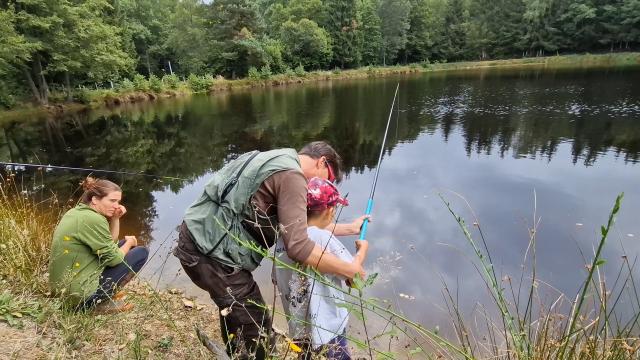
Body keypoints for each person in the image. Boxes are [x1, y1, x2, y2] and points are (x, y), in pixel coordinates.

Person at [174, 141, 367, 359]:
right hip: (210, 255)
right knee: (256, 330)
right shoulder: (292, 177)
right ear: (322, 162)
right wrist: (351, 270)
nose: (323, 185)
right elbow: (299, 247)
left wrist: (349, 228)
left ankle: (237, 354)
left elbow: (296, 225)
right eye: (329, 178)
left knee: (236, 313)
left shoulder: (275, 158)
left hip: (194, 237)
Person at [275, 177, 368, 360]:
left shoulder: (284, 238)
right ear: (330, 210)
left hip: (299, 328)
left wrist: (351, 228)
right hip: (328, 329)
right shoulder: (323, 238)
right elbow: (356, 280)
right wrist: (361, 251)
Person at [48, 177, 149, 313]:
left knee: (123, 244)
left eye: (118, 201)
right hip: (79, 298)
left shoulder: (76, 212)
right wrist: (130, 242)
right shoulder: (94, 219)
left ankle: (103, 295)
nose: (117, 206)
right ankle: (96, 303)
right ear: (95, 199)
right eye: (112, 201)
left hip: (62, 290)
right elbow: (114, 259)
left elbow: (110, 244)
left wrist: (115, 219)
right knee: (141, 252)